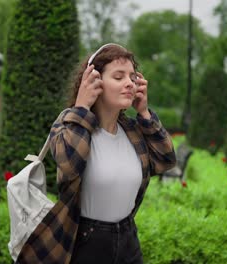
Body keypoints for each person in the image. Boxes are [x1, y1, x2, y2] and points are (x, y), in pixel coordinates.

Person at [15, 43, 176, 264]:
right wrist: (81, 106)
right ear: (94, 83)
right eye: (119, 77)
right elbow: (69, 165)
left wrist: (144, 112)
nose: (129, 83)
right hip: (86, 242)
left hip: (128, 241)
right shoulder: (69, 125)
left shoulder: (132, 131)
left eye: (132, 77)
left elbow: (166, 160)